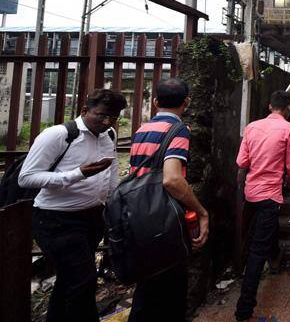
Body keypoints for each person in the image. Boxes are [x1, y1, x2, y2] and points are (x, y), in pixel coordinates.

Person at [20, 89, 127, 322]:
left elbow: (109, 173)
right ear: (85, 110)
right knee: (84, 279)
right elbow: (26, 177)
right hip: (55, 220)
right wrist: (76, 174)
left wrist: (113, 201)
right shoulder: (58, 135)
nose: (107, 122)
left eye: (114, 117)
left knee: (70, 280)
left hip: (92, 218)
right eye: (102, 115)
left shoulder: (109, 135)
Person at [127, 78, 209, 322]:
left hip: (138, 214)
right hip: (163, 218)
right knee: (172, 291)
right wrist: (201, 211)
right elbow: (172, 179)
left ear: (154, 102)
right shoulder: (179, 131)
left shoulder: (142, 130)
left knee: (146, 289)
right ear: (187, 103)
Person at [235, 90, 290, 322]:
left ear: (269, 107)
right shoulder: (289, 129)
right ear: (289, 107)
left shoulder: (252, 127)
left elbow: (242, 161)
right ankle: (244, 310)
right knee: (256, 251)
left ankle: (275, 256)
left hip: (250, 192)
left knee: (262, 236)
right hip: (270, 195)